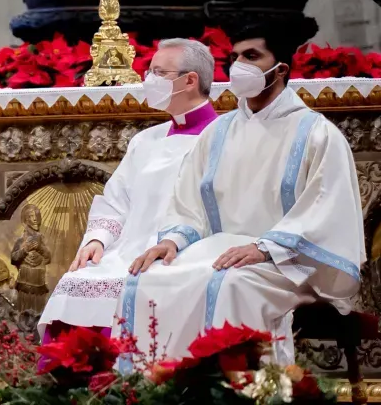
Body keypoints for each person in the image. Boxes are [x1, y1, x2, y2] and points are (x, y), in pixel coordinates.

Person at [123, 26, 365, 363]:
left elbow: (325, 209)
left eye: (251, 56)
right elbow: (188, 201)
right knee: (147, 280)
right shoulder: (218, 132)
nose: (238, 65)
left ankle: (243, 391)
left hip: (291, 264)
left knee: (231, 286)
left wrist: (264, 247)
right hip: (222, 254)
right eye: (235, 57)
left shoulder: (316, 133)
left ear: (280, 70)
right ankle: (160, 390)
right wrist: (172, 241)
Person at [40, 37, 220, 332]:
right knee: (76, 283)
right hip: (126, 250)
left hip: (182, 252)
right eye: (150, 71)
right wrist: (97, 240)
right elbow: (115, 202)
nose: (149, 79)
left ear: (190, 80)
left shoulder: (221, 137)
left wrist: (174, 242)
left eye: (160, 73)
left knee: (142, 288)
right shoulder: (146, 140)